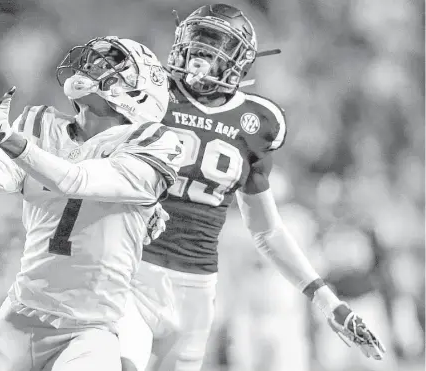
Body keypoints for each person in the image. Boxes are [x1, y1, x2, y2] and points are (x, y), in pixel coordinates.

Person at [117, 4, 386, 371]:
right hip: (132, 269)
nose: (199, 55)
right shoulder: (152, 95)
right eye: (196, 44)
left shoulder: (258, 122)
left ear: (238, 60)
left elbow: (267, 230)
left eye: (213, 46)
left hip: (196, 288)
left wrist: (328, 302)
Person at [0, 36, 183, 371]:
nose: (92, 68)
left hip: (90, 329)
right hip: (23, 315)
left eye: (110, 66)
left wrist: (4, 136)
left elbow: (76, 179)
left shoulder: (152, 144)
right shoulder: (42, 123)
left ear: (141, 93)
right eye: (94, 61)